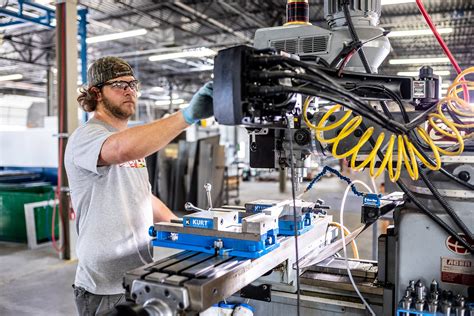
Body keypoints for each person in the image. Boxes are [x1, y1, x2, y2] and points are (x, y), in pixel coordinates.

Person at [65, 56, 213, 315]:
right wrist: (187, 116)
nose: (129, 91)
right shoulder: (86, 137)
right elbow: (121, 149)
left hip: (140, 276)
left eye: (133, 84)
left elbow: (142, 196)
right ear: (96, 93)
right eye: (120, 84)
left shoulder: (129, 140)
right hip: (104, 287)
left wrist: (186, 228)